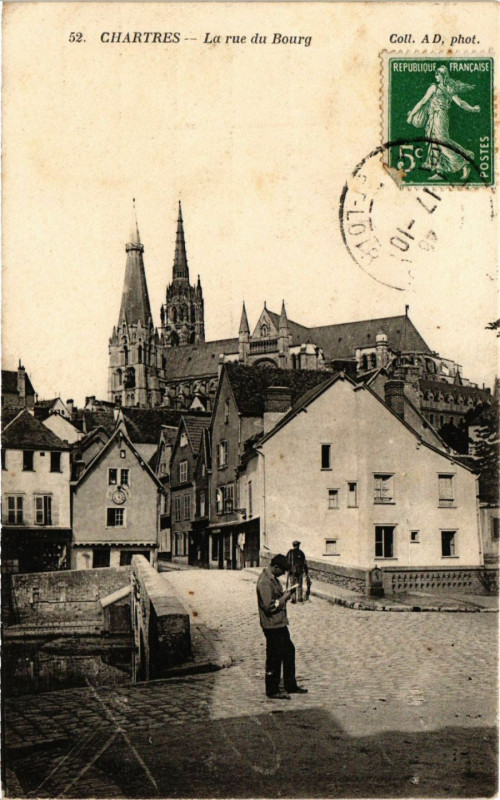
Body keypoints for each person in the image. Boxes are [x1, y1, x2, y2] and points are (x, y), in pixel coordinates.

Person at [407, 65, 480, 180]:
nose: (435, 76)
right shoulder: (446, 88)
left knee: (443, 143)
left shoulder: (435, 88)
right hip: (434, 117)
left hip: (439, 118)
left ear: (443, 76)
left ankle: (465, 161)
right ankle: (440, 172)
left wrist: (411, 116)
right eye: (436, 74)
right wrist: (473, 109)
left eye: (438, 74)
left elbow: (422, 102)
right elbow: (460, 103)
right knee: (434, 143)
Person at [256, 554, 308, 699]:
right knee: (274, 657)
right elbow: (269, 606)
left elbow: (274, 599)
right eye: (282, 571)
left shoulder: (272, 579)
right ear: (275, 567)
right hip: (272, 625)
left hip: (279, 623)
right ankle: (272, 690)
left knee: (289, 651)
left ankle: (290, 685)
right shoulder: (265, 582)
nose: (283, 574)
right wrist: (284, 598)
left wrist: (285, 594)